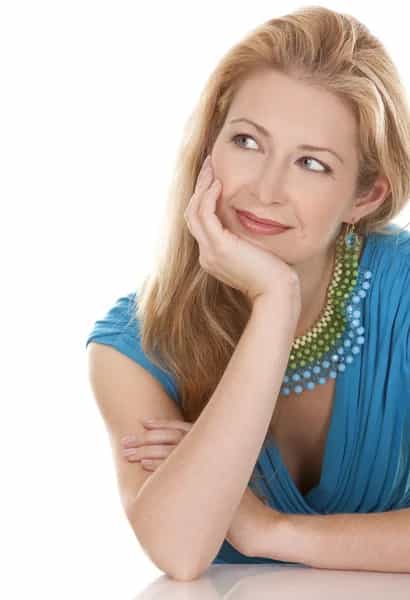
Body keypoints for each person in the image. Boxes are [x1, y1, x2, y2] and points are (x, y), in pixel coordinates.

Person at [86, 6, 410, 568]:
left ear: (365, 197)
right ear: (209, 147)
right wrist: (274, 300)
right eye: (247, 142)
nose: (265, 189)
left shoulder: (400, 292)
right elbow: (179, 552)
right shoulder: (134, 345)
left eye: (311, 163)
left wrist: (269, 530)